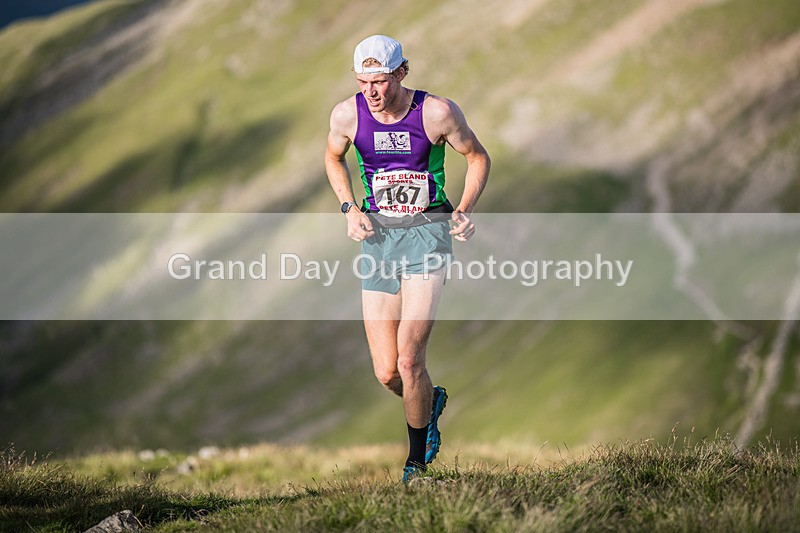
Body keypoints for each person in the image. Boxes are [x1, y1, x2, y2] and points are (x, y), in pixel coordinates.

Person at [324, 35, 490, 483]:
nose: (371, 92)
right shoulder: (346, 114)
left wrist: (464, 209)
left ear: (402, 72)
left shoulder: (436, 112)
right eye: (363, 82)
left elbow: (477, 157)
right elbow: (333, 157)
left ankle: (416, 466)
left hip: (428, 234)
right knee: (386, 372)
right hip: (378, 240)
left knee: (409, 360)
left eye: (379, 81)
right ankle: (428, 401)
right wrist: (349, 208)